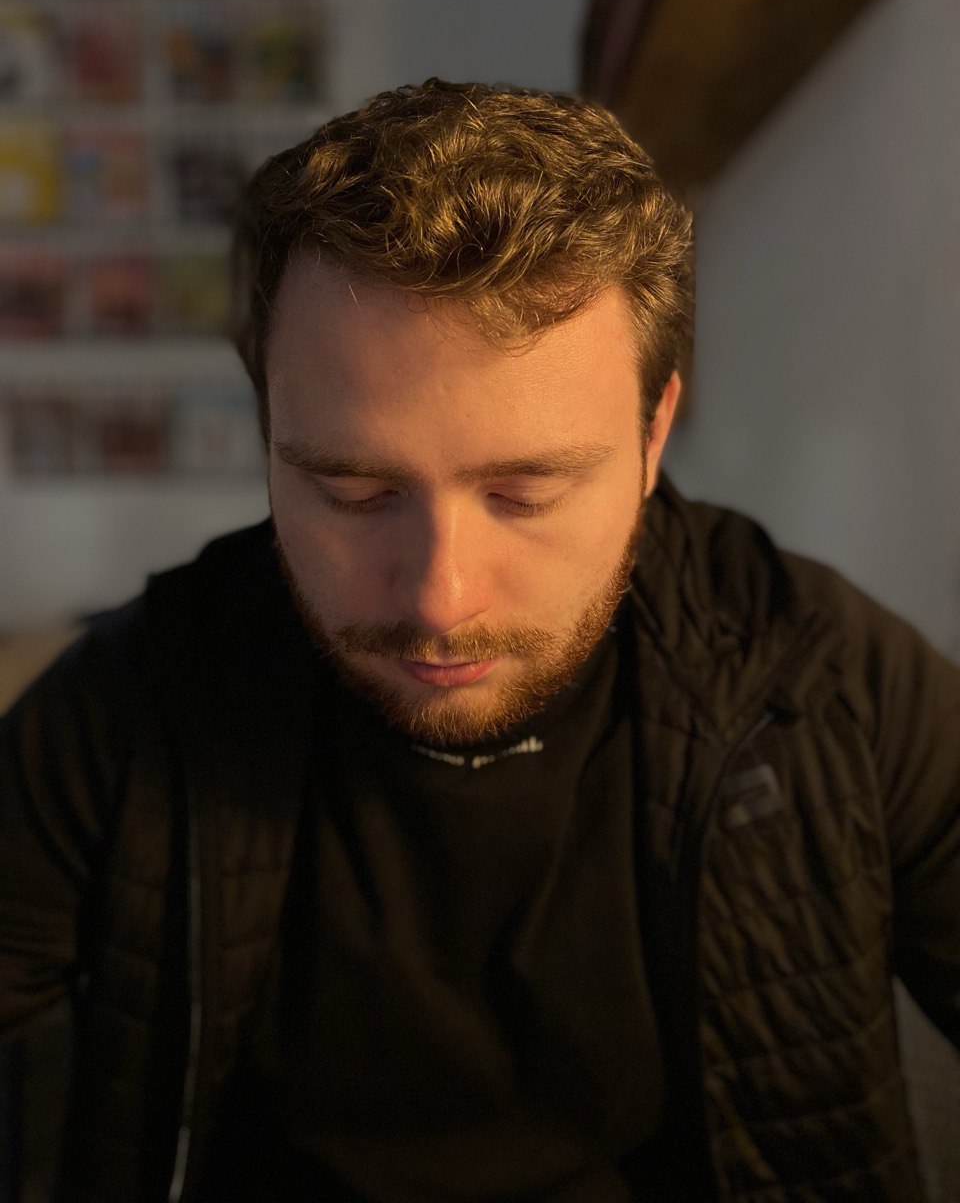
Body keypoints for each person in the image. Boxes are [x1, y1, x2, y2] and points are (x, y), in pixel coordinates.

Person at [1, 78, 958, 1203]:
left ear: (652, 434)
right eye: (356, 495)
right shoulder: (134, 706)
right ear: (268, 436)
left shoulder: (827, 682)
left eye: (525, 494)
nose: (441, 599)